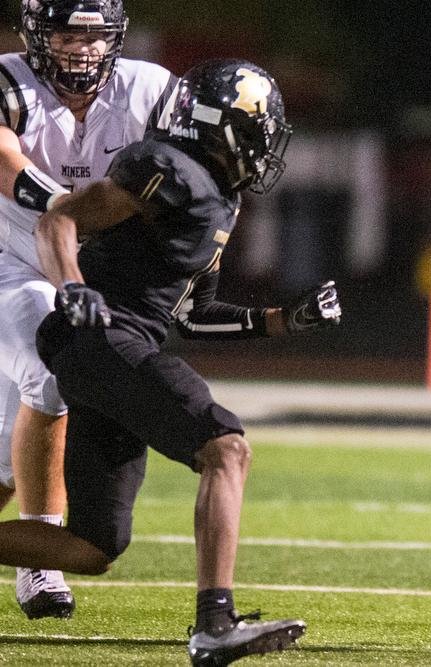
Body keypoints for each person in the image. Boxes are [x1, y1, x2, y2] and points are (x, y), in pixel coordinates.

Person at [0, 58, 337, 665]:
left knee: (96, 544)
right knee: (225, 447)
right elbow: (60, 219)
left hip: (120, 344)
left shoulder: (220, 198)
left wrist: (286, 320)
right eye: (258, 128)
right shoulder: (165, 166)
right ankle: (214, 624)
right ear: (222, 126)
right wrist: (73, 285)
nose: (265, 145)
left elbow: (190, 315)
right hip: (102, 338)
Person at [0, 0, 176, 619]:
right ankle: (39, 562)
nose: (81, 47)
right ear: (37, 35)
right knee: (53, 371)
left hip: (87, 271)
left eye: (95, 35)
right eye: (65, 33)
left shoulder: (150, 88)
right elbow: (4, 160)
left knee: (5, 450)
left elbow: (181, 169)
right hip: (10, 261)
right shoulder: (9, 80)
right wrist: (81, 208)